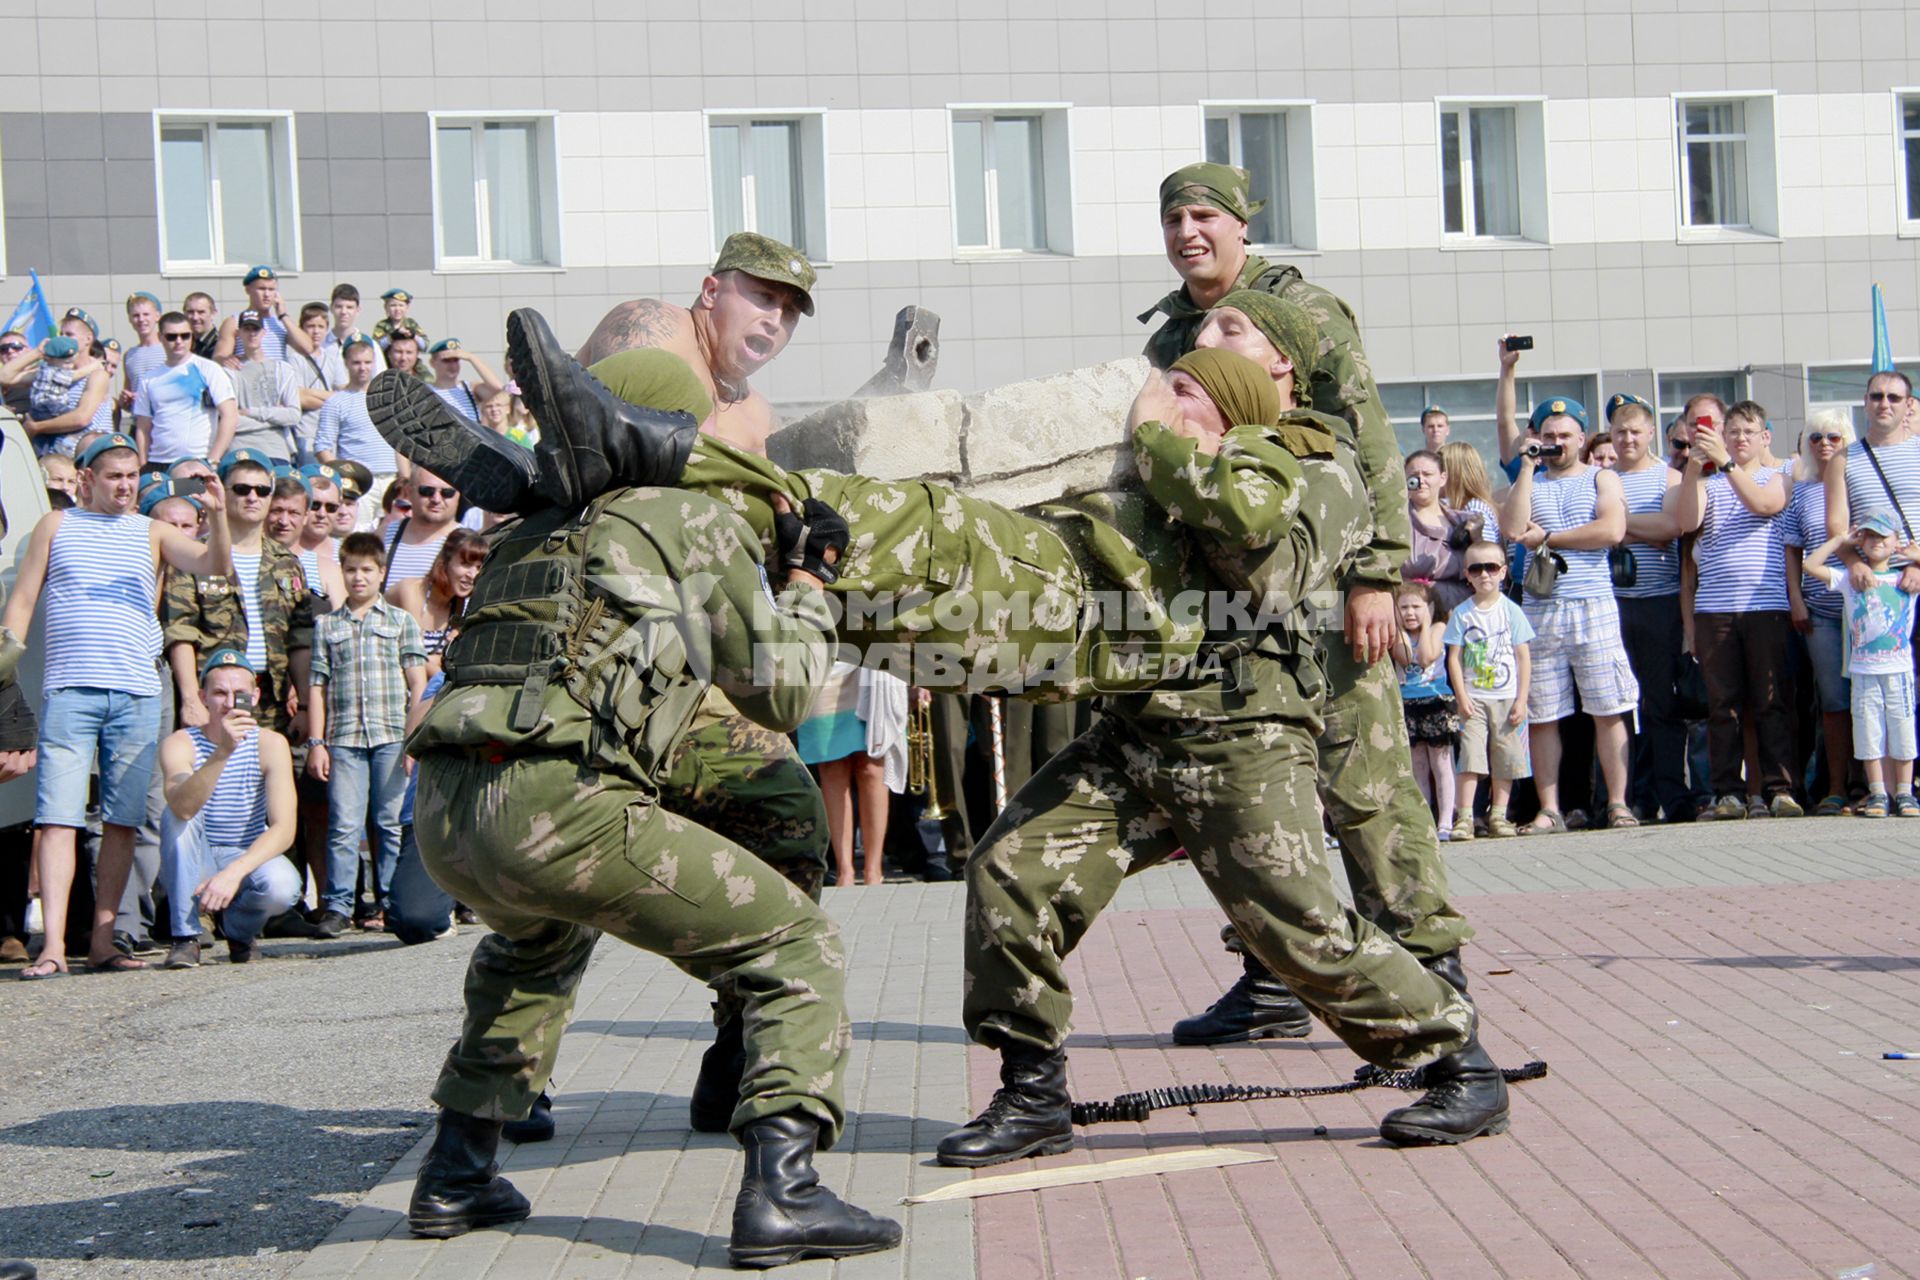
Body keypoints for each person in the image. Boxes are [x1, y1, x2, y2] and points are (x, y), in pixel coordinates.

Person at [398, 395, 902, 1268]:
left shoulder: (531, 532)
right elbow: (781, 694)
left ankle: (456, 1171)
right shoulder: (682, 516)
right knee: (798, 946)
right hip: (559, 804)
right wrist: (809, 581)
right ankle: (785, 1193)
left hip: (447, 812)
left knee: (534, 946)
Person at [1141, 164, 1474, 1040]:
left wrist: (1377, 575)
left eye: (1205, 214)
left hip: (1327, 586)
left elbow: (1367, 440)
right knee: (1258, 792)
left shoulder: (1302, 314)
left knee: (1363, 786)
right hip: (1240, 601)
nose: (1188, 232)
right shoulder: (1175, 332)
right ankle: (1276, 980)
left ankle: (1434, 970)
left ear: (1243, 225)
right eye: (1174, 217)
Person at [0, 433, 232, 979]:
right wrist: (4, 680)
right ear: (87, 479)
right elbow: (23, 601)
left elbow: (212, 564)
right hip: (70, 689)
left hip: (136, 692)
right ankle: (54, 945)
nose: (125, 486)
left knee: (122, 821)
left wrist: (217, 516)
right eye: (114, 476)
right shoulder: (57, 526)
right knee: (56, 820)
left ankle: (104, 941)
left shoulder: (151, 531)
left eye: (132, 476)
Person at [1498, 366, 1638, 833]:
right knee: (1543, 713)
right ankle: (1549, 808)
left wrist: (1552, 538)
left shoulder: (1602, 479)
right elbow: (1514, 530)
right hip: (1541, 607)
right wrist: (1527, 467)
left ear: (1582, 437)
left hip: (1592, 603)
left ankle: (1617, 802)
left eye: (1566, 434)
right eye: (1549, 434)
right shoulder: (1530, 479)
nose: (1558, 441)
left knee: (1608, 706)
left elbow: (1612, 531)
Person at [1670, 400, 1800, 820]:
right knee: (1722, 705)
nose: (1740, 439)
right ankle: (1728, 791)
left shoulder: (1777, 476)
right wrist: (1694, 468)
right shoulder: (1710, 483)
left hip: (1766, 606)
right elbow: (1686, 523)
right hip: (1714, 609)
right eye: (1733, 432)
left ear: (1765, 438)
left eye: (1749, 432)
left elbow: (1765, 505)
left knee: (1770, 701)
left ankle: (1779, 789)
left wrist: (1727, 464)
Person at [308, 532, 426, 935]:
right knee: (344, 823)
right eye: (351, 570)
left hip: (391, 734)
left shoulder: (400, 622)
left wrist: (414, 737)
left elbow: (416, 684)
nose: (359, 578)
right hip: (344, 738)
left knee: (389, 821)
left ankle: (392, 900)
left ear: (381, 573)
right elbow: (317, 686)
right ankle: (340, 904)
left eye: (367, 570)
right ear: (341, 573)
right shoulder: (327, 625)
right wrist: (316, 742)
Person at [157, 650, 301, 968]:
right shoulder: (181, 742)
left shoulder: (270, 744)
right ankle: (185, 936)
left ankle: (239, 932)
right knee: (176, 817)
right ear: (203, 697)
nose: (230, 703)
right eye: (220, 693)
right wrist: (223, 751)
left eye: (241, 695)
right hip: (195, 856)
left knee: (283, 887)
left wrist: (234, 873)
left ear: (256, 696)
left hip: (243, 852)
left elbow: (284, 828)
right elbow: (181, 808)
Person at [161, 448, 314, 736]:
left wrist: (305, 705)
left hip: (270, 698)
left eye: (262, 490)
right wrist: (192, 698)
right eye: (242, 489)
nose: (252, 497)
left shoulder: (288, 564)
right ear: (222, 493)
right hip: (213, 695)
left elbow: (300, 640)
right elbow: (180, 632)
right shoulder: (194, 556)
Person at [1607, 395, 1691, 822]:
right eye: (1620, 432)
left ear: (1650, 434)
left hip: (1659, 604)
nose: (1627, 439)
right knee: (1621, 706)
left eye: (1635, 431)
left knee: (1661, 704)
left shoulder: (1668, 477)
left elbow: (1671, 527)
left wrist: (1619, 526)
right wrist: (1638, 530)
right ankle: (1633, 797)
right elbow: (1601, 529)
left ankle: (1673, 796)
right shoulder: (1601, 478)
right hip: (1614, 603)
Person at [1803, 510, 1920, 817]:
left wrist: (1916, 559)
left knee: (1902, 729)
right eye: (1869, 536)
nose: (1876, 541)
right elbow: (1810, 565)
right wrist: (1840, 541)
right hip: (1864, 671)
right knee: (1869, 732)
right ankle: (1878, 791)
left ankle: (1905, 793)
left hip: (1899, 670)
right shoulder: (1849, 579)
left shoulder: (1904, 578)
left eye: (1883, 536)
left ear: (1896, 542)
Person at [1784, 411, 1859, 814]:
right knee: (1833, 701)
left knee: (1869, 697)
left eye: (1833, 436)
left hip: (1867, 606)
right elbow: (1792, 550)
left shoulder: (1859, 481)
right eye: (1815, 437)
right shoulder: (1802, 490)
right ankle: (1836, 787)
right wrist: (1796, 599)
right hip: (1821, 610)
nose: (1824, 443)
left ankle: (1869, 786)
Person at [1445, 544, 1534, 841]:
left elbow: (1523, 657)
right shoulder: (1461, 613)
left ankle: (1499, 814)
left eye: (1491, 568)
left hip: (1506, 697)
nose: (1484, 574)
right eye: (1476, 569)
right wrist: (1461, 696)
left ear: (1503, 572)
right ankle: (1465, 817)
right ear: (1467, 575)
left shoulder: (1512, 611)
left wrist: (1522, 699)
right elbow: (1454, 658)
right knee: (1470, 757)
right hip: (1473, 697)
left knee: (1505, 757)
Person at [795, 661, 908, 887]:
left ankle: (873, 870)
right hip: (823, 662)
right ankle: (844, 870)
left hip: (870, 662)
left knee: (873, 765)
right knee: (831, 765)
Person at [313, 335, 404, 525]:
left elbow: (400, 442)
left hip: (392, 480)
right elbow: (322, 447)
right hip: (359, 485)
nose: (363, 368)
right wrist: (344, 475)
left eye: (367, 362)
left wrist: (405, 478)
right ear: (346, 363)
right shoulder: (336, 402)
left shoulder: (389, 399)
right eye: (356, 363)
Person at [1393, 582, 1458, 839]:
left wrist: (1429, 622)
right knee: (1418, 765)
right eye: (1404, 607)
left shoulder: (1439, 628)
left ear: (1429, 608)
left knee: (1441, 764)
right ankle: (1425, 820)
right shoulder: (1398, 634)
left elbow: (1427, 657)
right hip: (1407, 703)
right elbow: (1406, 657)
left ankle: (1446, 821)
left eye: (1417, 607)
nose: (1410, 613)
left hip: (1435, 702)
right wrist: (1398, 626)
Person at [134, 311, 238, 472]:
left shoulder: (209, 369)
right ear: (160, 337)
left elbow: (229, 415)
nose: (179, 341)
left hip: (197, 460)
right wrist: (143, 464)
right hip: (158, 462)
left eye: (185, 336)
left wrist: (213, 460)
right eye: (171, 336)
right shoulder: (149, 379)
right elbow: (143, 427)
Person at [386, 526, 486, 675]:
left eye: (478, 567)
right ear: (445, 561)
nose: (472, 575)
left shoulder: (456, 601)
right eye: (465, 564)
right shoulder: (411, 591)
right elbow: (415, 657)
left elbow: (446, 658)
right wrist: (444, 676)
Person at [1403, 448, 1476, 616]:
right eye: (1414, 475)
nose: (1421, 480)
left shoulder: (1465, 521)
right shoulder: (1395, 522)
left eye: (1427, 474)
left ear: (1442, 478)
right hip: (1411, 612)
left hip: (1460, 610)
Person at [212, 266, 313, 367]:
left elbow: (307, 349)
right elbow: (219, 357)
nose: (267, 294)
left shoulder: (281, 323)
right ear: (248, 290)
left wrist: (283, 316)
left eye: (271, 289)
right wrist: (226, 361)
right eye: (261, 289)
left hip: (277, 378)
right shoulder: (234, 321)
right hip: (248, 378)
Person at [380, 469, 462, 585]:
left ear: (458, 495)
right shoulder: (383, 537)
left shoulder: (468, 542)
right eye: (427, 491)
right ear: (409, 492)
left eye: (447, 492)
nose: (436, 499)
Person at [425, 339, 504, 423]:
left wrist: (471, 358)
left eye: (456, 360)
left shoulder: (470, 388)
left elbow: (497, 387)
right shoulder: (426, 392)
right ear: (432, 363)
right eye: (446, 361)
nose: (452, 366)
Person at [1439, 441, 1503, 544]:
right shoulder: (1461, 507)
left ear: (1455, 475)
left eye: (1441, 470)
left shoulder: (1475, 509)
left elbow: (1485, 551)